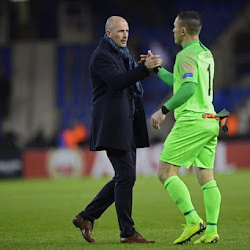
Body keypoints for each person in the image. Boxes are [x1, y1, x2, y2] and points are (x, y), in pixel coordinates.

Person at [72, 16, 161, 244]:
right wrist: (143, 69)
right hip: (113, 127)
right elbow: (118, 82)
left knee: (125, 177)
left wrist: (142, 67)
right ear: (109, 33)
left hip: (127, 124)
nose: (125, 35)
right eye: (120, 31)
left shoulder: (122, 55)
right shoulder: (102, 56)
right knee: (126, 176)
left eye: (127, 30)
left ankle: (86, 217)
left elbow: (127, 79)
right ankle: (127, 232)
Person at [149, 11, 221, 244]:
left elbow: (188, 89)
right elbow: (181, 83)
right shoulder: (205, 53)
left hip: (192, 120)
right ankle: (211, 231)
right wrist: (157, 70)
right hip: (211, 119)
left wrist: (163, 110)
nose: (171, 31)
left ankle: (193, 221)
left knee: (165, 173)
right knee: (206, 178)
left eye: (173, 27)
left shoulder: (184, 56)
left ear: (182, 31)